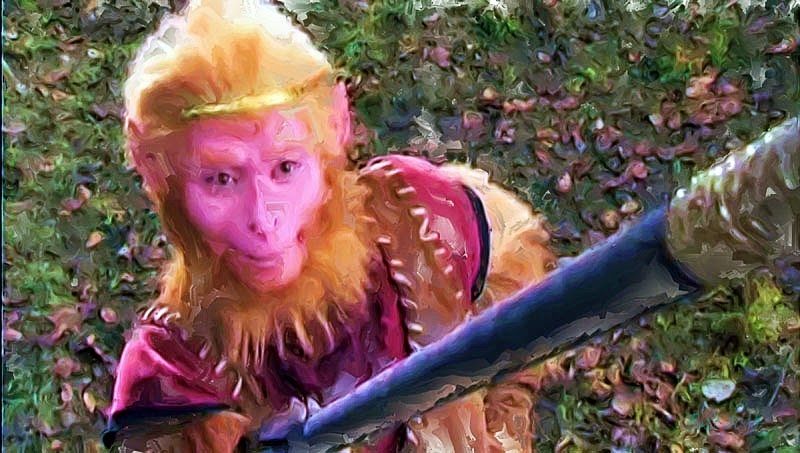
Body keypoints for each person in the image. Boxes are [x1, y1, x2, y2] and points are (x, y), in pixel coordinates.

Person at [106, 0, 556, 450]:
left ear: (335, 128)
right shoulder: (173, 376)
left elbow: (514, 264)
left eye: (286, 168)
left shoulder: (413, 217)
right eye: (220, 179)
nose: (264, 219)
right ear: (157, 173)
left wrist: (500, 429)